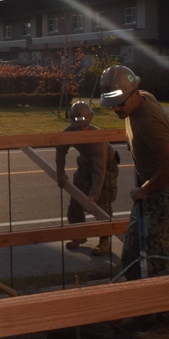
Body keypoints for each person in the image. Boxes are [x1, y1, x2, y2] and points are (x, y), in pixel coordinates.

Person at [99, 65, 169, 339]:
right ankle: (142, 312)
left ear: (134, 92)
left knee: (162, 262)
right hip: (149, 195)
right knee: (133, 254)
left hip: (166, 197)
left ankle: (167, 326)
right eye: (112, 105)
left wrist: (144, 189)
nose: (117, 109)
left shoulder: (149, 119)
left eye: (120, 103)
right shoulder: (138, 101)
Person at [55, 101, 119, 254]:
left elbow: (99, 171)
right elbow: (60, 151)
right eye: (78, 126)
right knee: (76, 199)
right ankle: (79, 236)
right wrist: (60, 173)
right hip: (85, 163)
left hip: (106, 166)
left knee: (102, 203)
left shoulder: (97, 139)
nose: (81, 129)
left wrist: (94, 194)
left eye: (84, 125)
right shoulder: (68, 133)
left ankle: (104, 241)